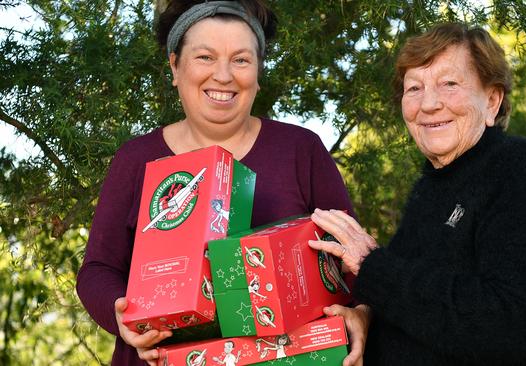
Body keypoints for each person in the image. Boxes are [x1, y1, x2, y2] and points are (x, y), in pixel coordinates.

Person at [75, 1, 355, 365]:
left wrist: (358, 313)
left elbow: (351, 259)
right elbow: (98, 271)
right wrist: (122, 315)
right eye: (205, 57)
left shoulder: (301, 150)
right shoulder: (136, 160)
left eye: (240, 60)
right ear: (175, 66)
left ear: (258, 71)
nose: (223, 75)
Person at [309, 22, 526, 365]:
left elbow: (513, 322)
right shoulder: (431, 188)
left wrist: (374, 267)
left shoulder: (520, 172)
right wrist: (366, 319)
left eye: (449, 84)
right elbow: (418, 308)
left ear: (492, 101)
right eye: (414, 88)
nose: (428, 103)